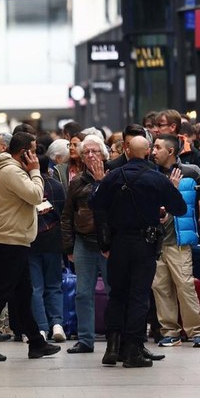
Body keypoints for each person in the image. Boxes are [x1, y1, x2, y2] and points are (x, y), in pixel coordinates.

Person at [90, 136, 186, 368]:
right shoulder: (156, 178)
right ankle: (133, 349)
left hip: (118, 243)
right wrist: (170, 190)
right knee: (139, 296)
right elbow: (179, 208)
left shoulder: (113, 176)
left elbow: (96, 204)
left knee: (118, 294)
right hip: (144, 243)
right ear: (147, 152)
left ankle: (113, 347)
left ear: (127, 151)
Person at [0, 132, 61, 362]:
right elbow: (35, 195)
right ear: (24, 152)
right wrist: (35, 171)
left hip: (15, 238)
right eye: (33, 150)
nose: (35, 155)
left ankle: (36, 342)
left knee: (22, 293)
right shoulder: (12, 170)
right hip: (9, 239)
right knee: (1, 292)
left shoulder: (12, 169)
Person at [150, 134, 200, 348]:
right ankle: (170, 331)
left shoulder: (190, 171)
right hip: (156, 241)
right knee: (160, 287)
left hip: (179, 240)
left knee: (185, 285)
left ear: (171, 151)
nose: (153, 151)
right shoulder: (151, 173)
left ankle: (197, 331)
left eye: (157, 147)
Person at [61, 135, 110, 354]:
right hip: (83, 241)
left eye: (95, 151)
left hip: (108, 243)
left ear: (103, 154)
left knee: (114, 291)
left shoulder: (113, 176)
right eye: (86, 152)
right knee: (82, 293)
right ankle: (85, 339)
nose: (90, 155)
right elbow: (67, 215)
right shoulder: (77, 181)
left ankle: (116, 337)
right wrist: (69, 247)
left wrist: (101, 183)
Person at [29, 152, 66, 343]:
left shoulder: (28, 186)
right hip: (54, 240)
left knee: (36, 287)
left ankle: (41, 328)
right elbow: (64, 214)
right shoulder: (57, 186)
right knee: (54, 285)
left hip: (31, 240)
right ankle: (58, 324)